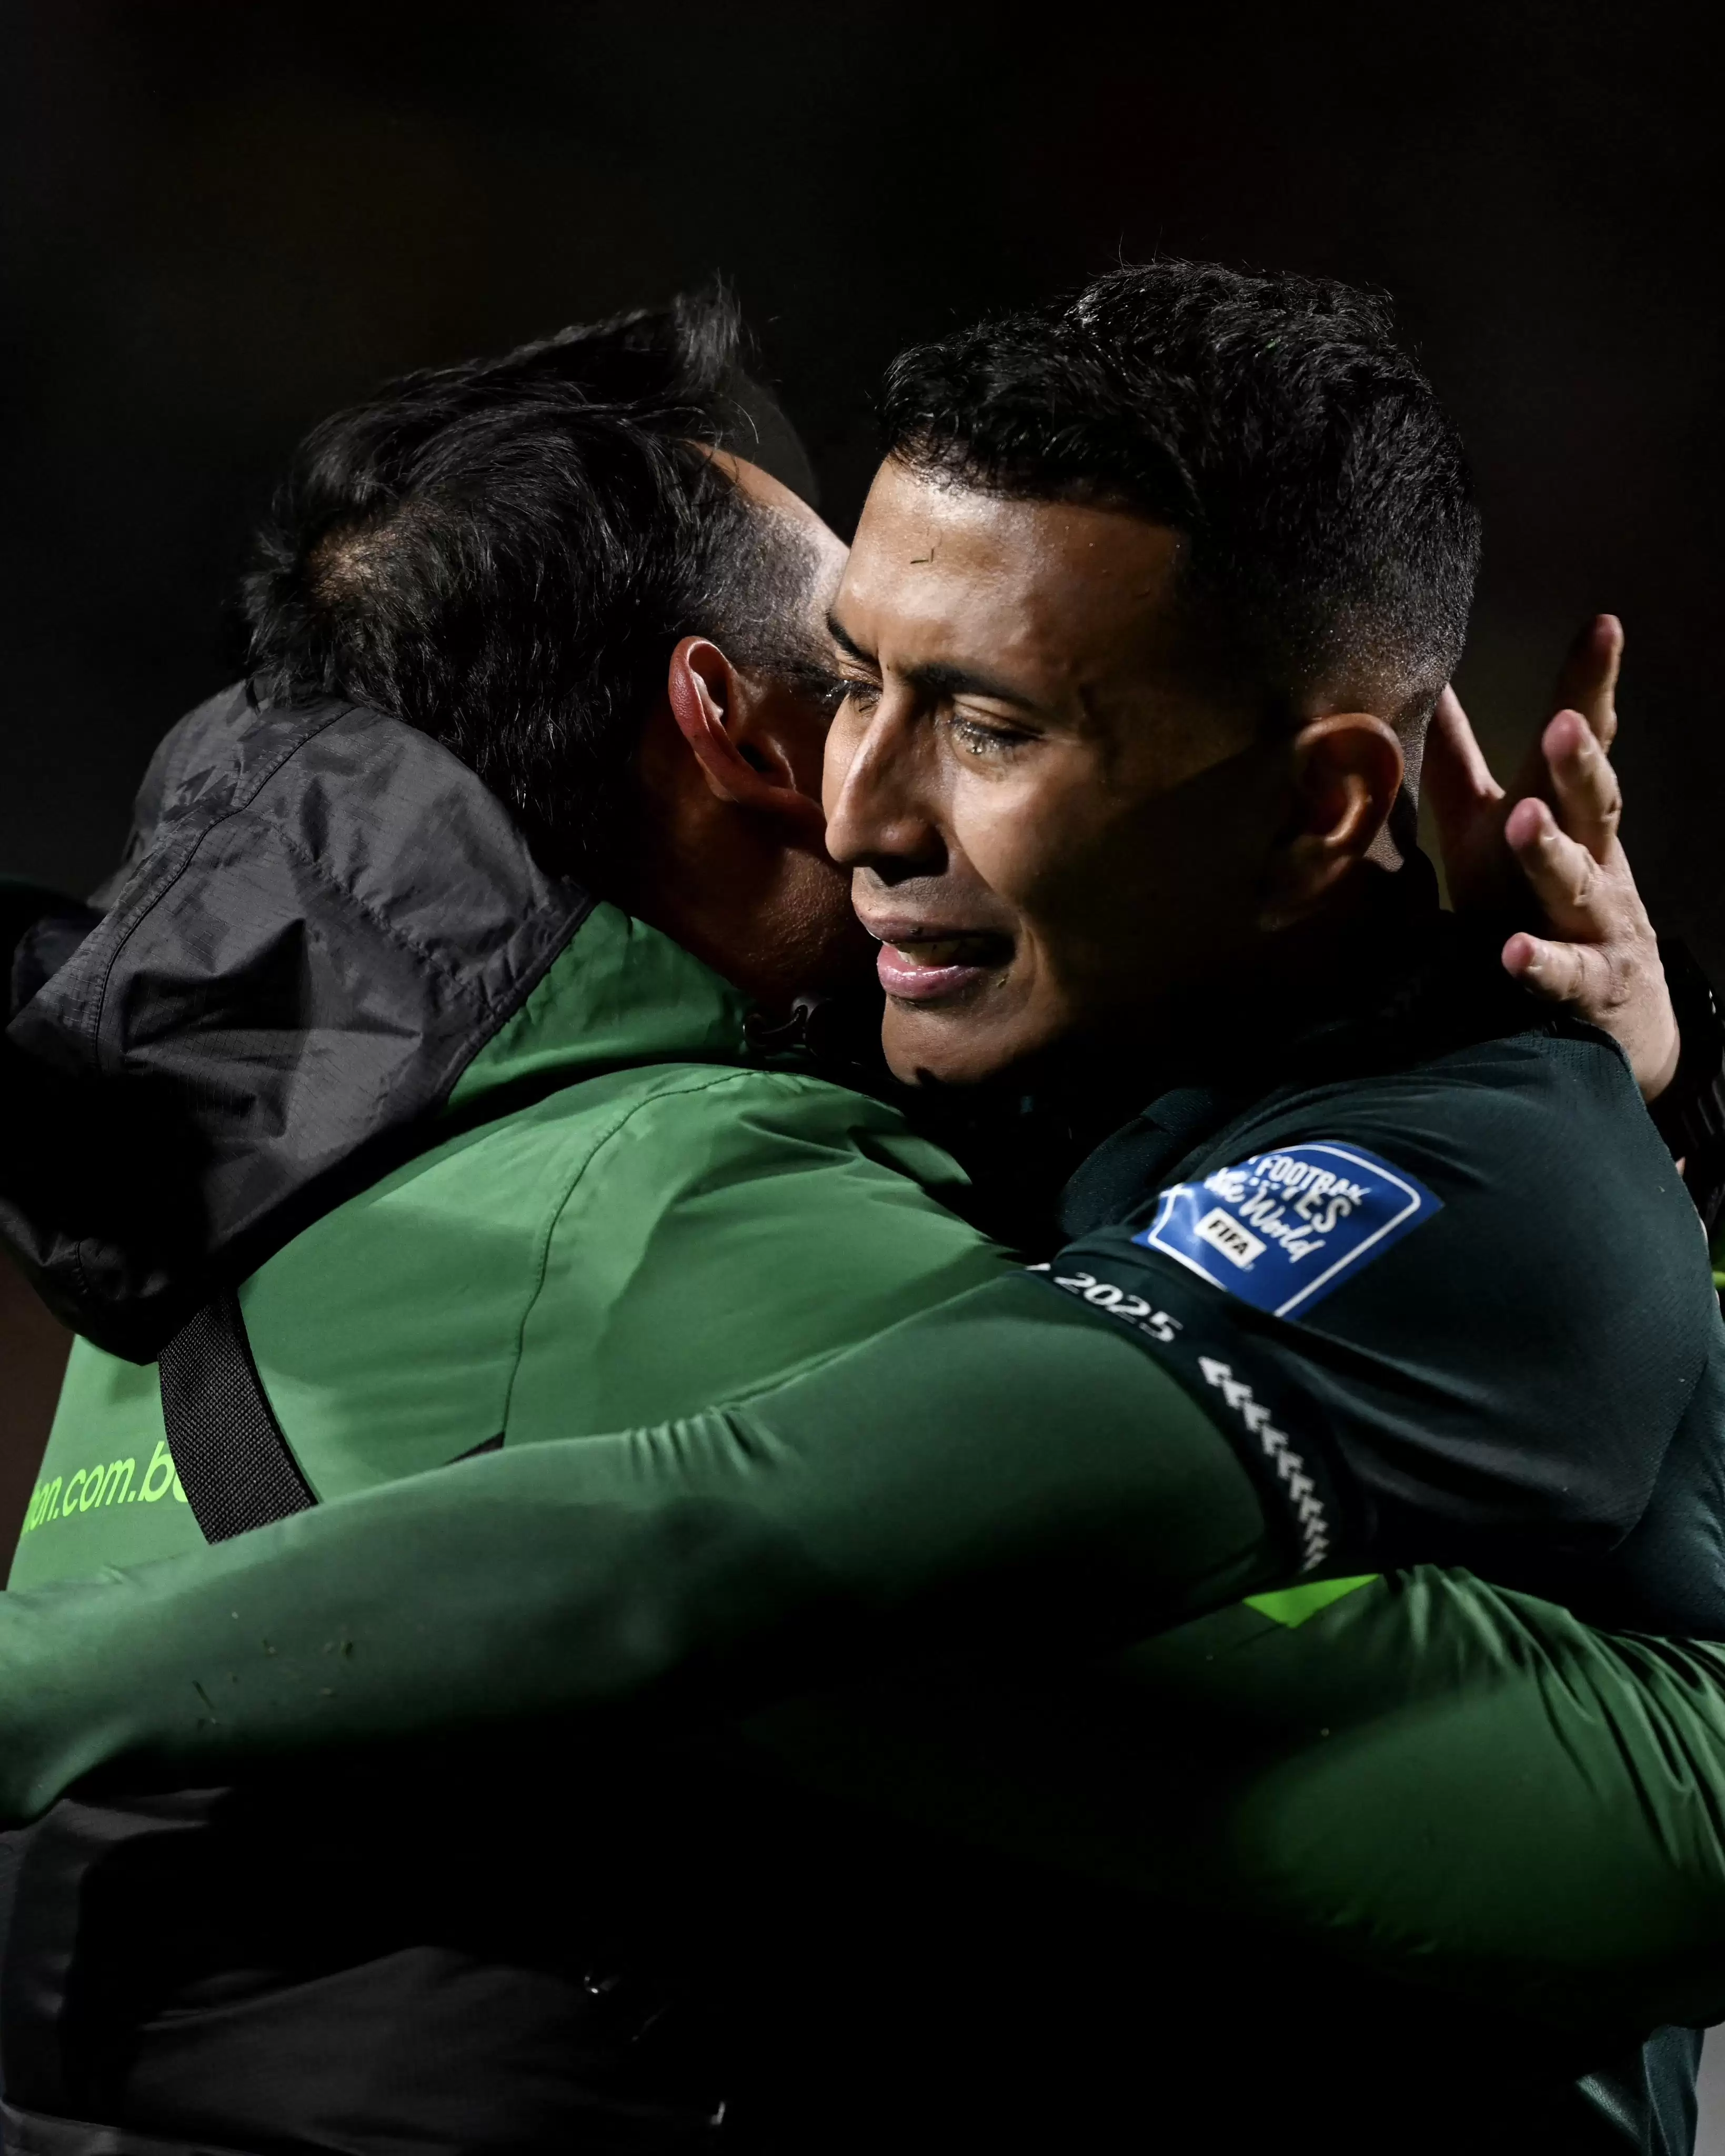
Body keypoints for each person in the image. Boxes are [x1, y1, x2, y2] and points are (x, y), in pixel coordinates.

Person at [1, 270, 1720, 2153]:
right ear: (718, 724)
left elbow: (750, 1531)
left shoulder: (263, 1160)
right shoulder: (718, 1181)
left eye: (983, 722)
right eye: (853, 685)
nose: (860, 802)